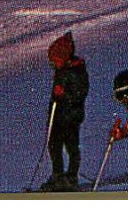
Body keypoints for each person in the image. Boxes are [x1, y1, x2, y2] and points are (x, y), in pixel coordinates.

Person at [43, 32, 89, 190]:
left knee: (71, 146)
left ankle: (71, 175)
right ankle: (58, 174)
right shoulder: (62, 70)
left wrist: (63, 94)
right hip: (59, 116)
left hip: (71, 117)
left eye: (54, 60)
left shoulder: (77, 71)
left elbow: (79, 94)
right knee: (54, 145)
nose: (52, 64)